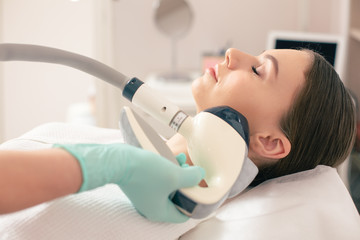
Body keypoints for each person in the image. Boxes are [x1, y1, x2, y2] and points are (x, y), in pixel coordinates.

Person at [0, 47, 356, 224]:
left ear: (270, 142)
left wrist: (98, 167)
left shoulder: (168, 212)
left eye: (259, 70)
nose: (233, 54)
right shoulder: (127, 161)